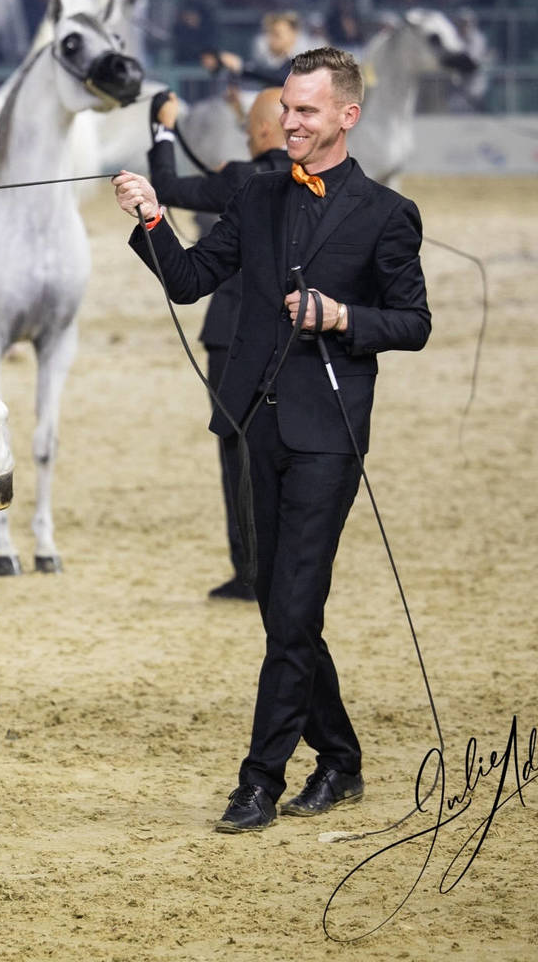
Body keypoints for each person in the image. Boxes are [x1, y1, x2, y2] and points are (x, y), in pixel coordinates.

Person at [112, 47, 431, 833]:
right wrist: (152, 218)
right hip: (259, 420)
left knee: (290, 605)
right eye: (287, 108)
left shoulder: (388, 214)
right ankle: (342, 759)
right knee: (282, 607)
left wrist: (342, 317)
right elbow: (189, 280)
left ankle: (259, 780)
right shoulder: (256, 197)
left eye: (306, 111)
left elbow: (415, 324)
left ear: (346, 117)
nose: (287, 121)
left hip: (329, 435)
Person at [147, 88, 291, 601]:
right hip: (299, 336)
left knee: (239, 455)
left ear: (266, 131)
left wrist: (162, 127)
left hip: (233, 335)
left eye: (252, 125)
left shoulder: (240, 179)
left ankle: (250, 569)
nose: (249, 133)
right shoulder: (324, 183)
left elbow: (164, 186)